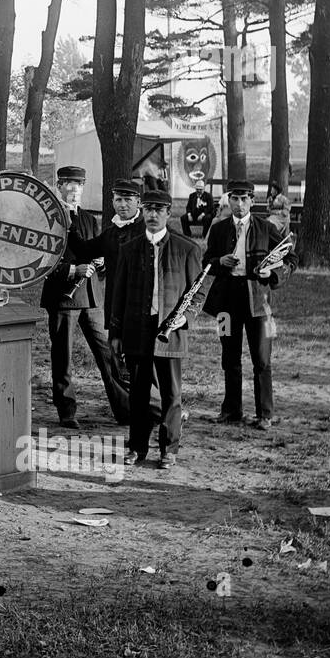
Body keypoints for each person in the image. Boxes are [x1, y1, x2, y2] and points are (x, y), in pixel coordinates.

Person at [110, 189, 202, 469]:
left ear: (168, 213)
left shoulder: (188, 249)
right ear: (143, 210)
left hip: (170, 331)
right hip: (137, 329)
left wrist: (184, 318)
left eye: (158, 210)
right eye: (148, 209)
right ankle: (137, 448)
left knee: (171, 394)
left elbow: (197, 294)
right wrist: (115, 333)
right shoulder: (129, 248)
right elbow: (119, 294)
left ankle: (169, 449)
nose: (152, 215)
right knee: (137, 393)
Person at [203, 179, 297, 431]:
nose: (239, 203)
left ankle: (265, 413)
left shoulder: (265, 228)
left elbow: (290, 256)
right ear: (228, 200)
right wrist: (219, 260)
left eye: (245, 199)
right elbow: (206, 262)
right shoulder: (220, 228)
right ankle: (232, 409)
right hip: (226, 301)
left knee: (262, 358)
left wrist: (273, 274)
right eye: (234, 198)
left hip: (258, 300)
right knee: (229, 356)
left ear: (252, 201)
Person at [41, 166, 128, 430]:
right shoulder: (47, 218)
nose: (76, 190)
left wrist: (101, 262)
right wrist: (70, 270)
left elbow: (96, 254)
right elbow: (40, 261)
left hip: (91, 296)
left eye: (80, 185)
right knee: (63, 356)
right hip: (62, 297)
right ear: (59, 186)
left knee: (108, 354)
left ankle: (125, 409)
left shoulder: (89, 219)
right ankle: (66, 412)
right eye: (70, 184)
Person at [64, 179, 145, 423]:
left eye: (127, 200)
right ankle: (136, 413)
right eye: (118, 200)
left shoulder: (146, 230)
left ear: (138, 202)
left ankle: (163, 411)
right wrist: (69, 228)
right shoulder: (111, 233)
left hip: (144, 310)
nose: (122, 205)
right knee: (122, 361)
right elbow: (85, 249)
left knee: (144, 365)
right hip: (116, 310)